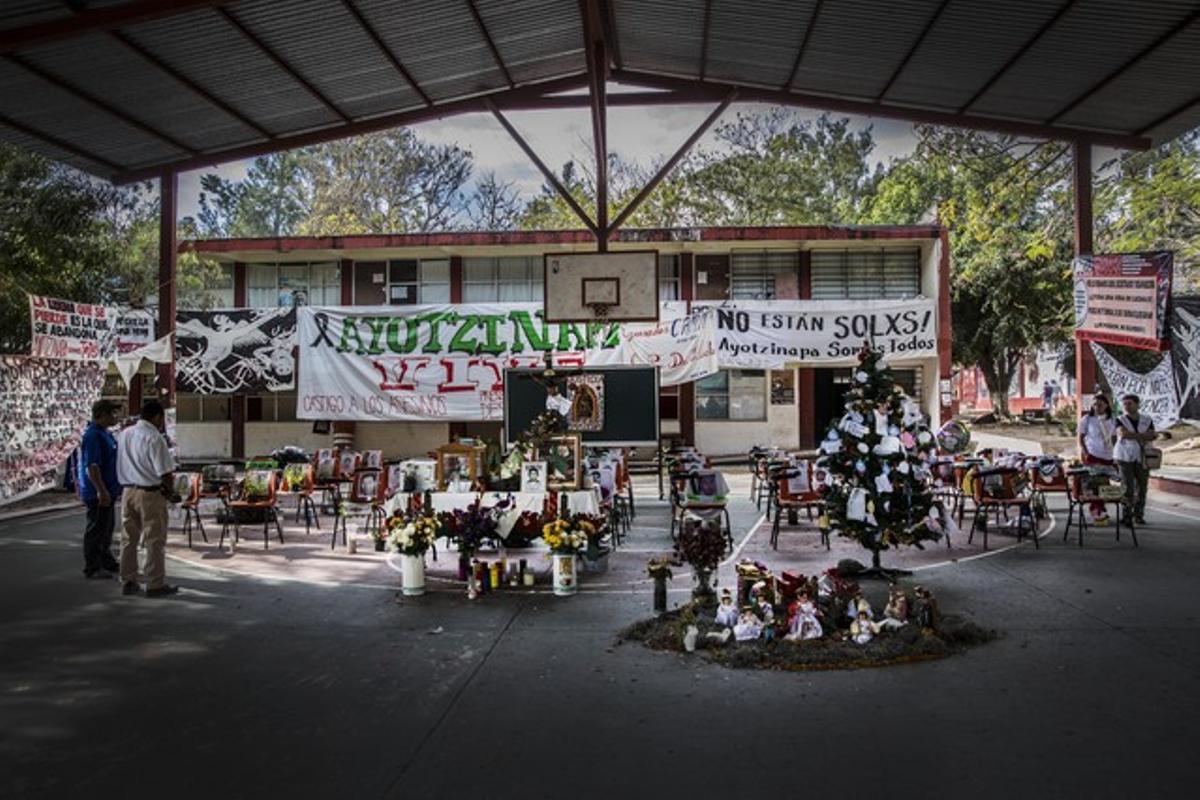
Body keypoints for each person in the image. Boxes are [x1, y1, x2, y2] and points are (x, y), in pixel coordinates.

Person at [116, 400, 178, 597]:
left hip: (127, 491)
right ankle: (154, 583)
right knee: (154, 540)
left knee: (128, 539)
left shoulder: (125, 434)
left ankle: (128, 580)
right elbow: (165, 472)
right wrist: (170, 492)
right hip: (150, 493)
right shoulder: (154, 437)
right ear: (157, 417)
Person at [79, 399, 123, 578]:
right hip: (98, 492)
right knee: (96, 530)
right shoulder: (93, 435)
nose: (116, 417)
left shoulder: (105, 433)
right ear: (102, 415)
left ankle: (106, 561)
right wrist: (101, 490)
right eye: (113, 413)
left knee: (107, 529)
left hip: (109, 490)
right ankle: (93, 567)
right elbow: (92, 466)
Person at [1114, 393, 1155, 526]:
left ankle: (1139, 515)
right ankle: (1126, 515)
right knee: (1127, 487)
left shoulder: (1147, 419)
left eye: (1129, 403)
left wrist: (1136, 436)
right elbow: (1123, 434)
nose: (1126, 406)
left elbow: (1152, 435)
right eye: (1124, 404)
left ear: (1137, 405)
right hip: (1124, 456)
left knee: (1142, 486)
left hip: (1142, 456)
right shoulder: (1120, 419)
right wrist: (1142, 436)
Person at [1078, 393, 1116, 524]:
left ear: (1106, 405)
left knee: (1104, 484)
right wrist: (1086, 452)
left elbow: (1115, 437)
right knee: (1094, 484)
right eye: (1094, 404)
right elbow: (1081, 438)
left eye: (1100, 404)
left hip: (1108, 456)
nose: (1097, 407)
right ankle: (1097, 510)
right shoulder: (1087, 419)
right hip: (1092, 455)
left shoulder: (1112, 419)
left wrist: (1115, 453)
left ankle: (1101, 508)